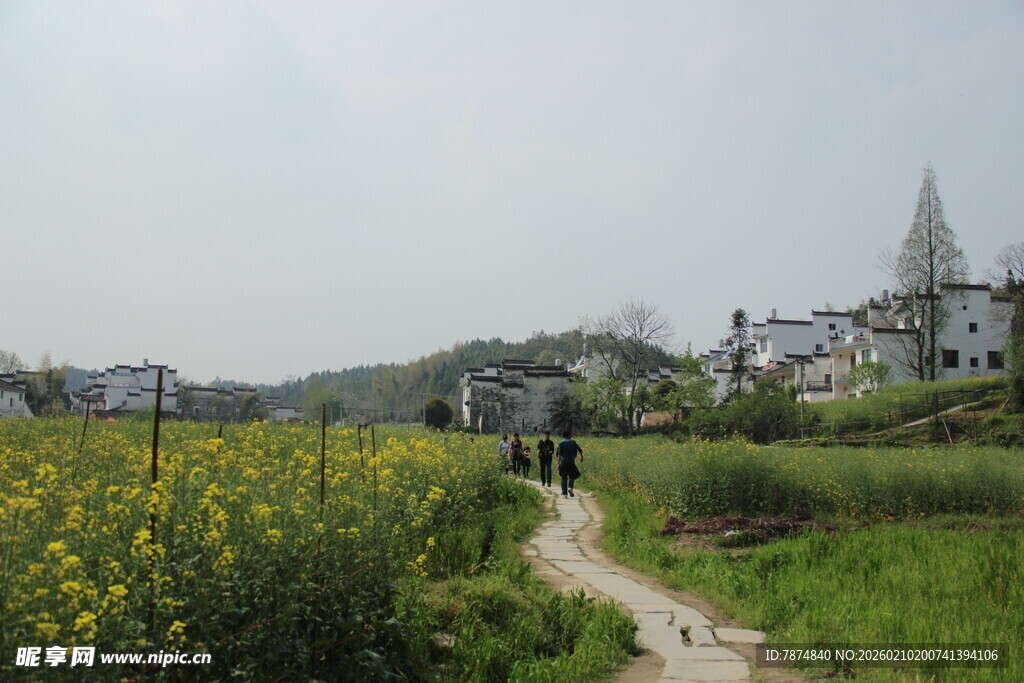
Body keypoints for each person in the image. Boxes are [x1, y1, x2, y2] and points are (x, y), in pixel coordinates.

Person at [556, 430, 583, 498]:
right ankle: (570, 487)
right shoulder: (573, 442)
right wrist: (581, 457)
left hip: (563, 462)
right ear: (569, 435)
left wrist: (558, 464)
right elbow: (579, 449)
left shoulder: (561, 442)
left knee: (563, 477)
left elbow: (558, 454)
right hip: (571, 462)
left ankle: (564, 494)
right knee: (572, 476)